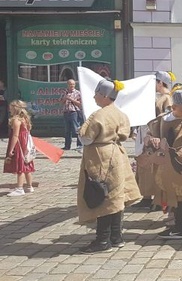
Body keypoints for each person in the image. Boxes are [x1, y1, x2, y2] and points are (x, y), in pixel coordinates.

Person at [77, 79, 142, 253]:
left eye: (97, 93)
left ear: (104, 95)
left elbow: (86, 138)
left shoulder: (99, 114)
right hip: (117, 154)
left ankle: (102, 240)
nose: (94, 96)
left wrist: (81, 129)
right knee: (115, 195)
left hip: (101, 156)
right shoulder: (121, 114)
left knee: (101, 195)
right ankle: (116, 237)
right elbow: (125, 134)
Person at [146, 90, 182, 239]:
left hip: (180, 160)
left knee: (180, 194)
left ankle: (179, 227)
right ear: (173, 107)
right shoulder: (162, 119)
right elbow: (150, 134)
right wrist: (153, 139)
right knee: (169, 192)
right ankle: (176, 223)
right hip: (164, 161)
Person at [133, 70, 174, 210]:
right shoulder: (158, 97)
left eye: (156, 82)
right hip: (149, 136)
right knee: (145, 167)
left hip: (156, 136)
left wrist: (159, 136)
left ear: (160, 82)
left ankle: (158, 199)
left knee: (155, 168)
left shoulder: (167, 98)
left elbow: (167, 120)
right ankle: (146, 196)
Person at [4, 100, 35, 196]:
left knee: (20, 166)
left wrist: (11, 149)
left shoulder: (16, 120)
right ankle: (29, 186)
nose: (9, 110)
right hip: (25, 144)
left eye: (11, 108)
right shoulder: (25, 119)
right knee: (26, 165)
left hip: (19, 144)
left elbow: (15, 136)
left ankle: (20, 188)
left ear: (15, 109)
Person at [60, 79, 83, 151]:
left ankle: (79, 145)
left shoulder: (78, 93)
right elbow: (61, 102)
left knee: (77, 129)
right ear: (67, 85)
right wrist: (65, 98)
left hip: (74, 112)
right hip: (66, 112)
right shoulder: (64, 92)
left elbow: (80, 104)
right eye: (70, 84)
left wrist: (71, 99)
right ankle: (67, 146)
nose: (71, 86)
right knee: (67, 130)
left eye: (73, 84)